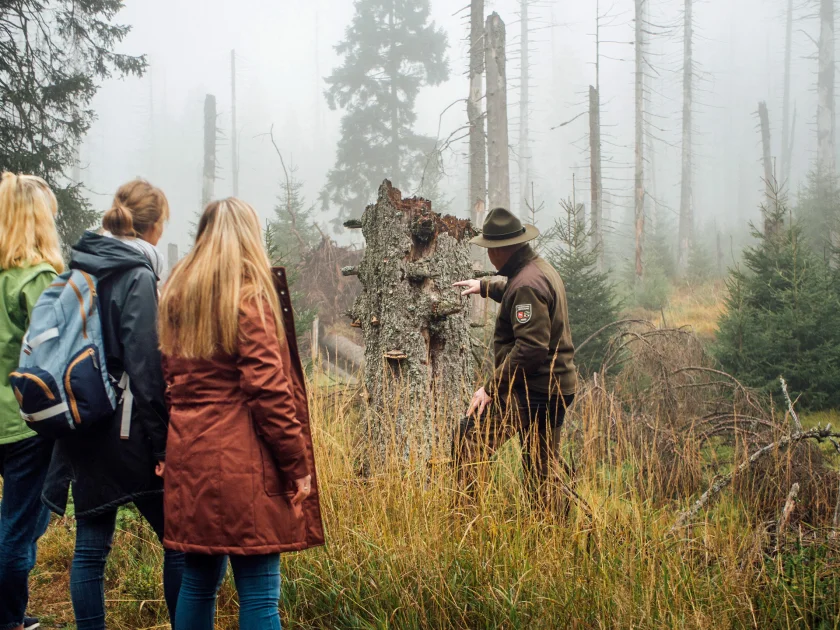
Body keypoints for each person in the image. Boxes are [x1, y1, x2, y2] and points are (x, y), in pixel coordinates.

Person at [158, 198, 324, 630]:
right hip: (244, 463)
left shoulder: (177, 295)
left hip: (190, 456)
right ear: (250, 237)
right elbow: (269, 390)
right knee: (260, 593)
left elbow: (168, 381)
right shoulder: (249, 295)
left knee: (197, 582)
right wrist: (296, 465)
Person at [41, 180, 183, 630]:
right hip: (127, 430)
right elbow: (145, 366)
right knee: (179, 542)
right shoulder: (137, 274)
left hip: (81, 420)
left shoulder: (79, 266)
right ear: (154, 226)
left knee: (90, 548)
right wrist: (163, 446)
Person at [452, 206, 577, 503]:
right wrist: (484, 286)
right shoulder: (536, 269)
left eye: (490, 249)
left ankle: (463, 516)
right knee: (541, 470)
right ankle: (550, 526)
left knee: (469, 439)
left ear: (502, 250)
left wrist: (490, 388)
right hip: (555, 387)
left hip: (533, 390)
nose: (489, 255)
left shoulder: (527, 284)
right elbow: (514, 290)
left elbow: (531, 349)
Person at [0, 173, 65, 630]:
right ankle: (8, 619)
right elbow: (53, 355)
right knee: (20, 529)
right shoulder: (38, 278)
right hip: (24, 422)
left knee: (15, 527)